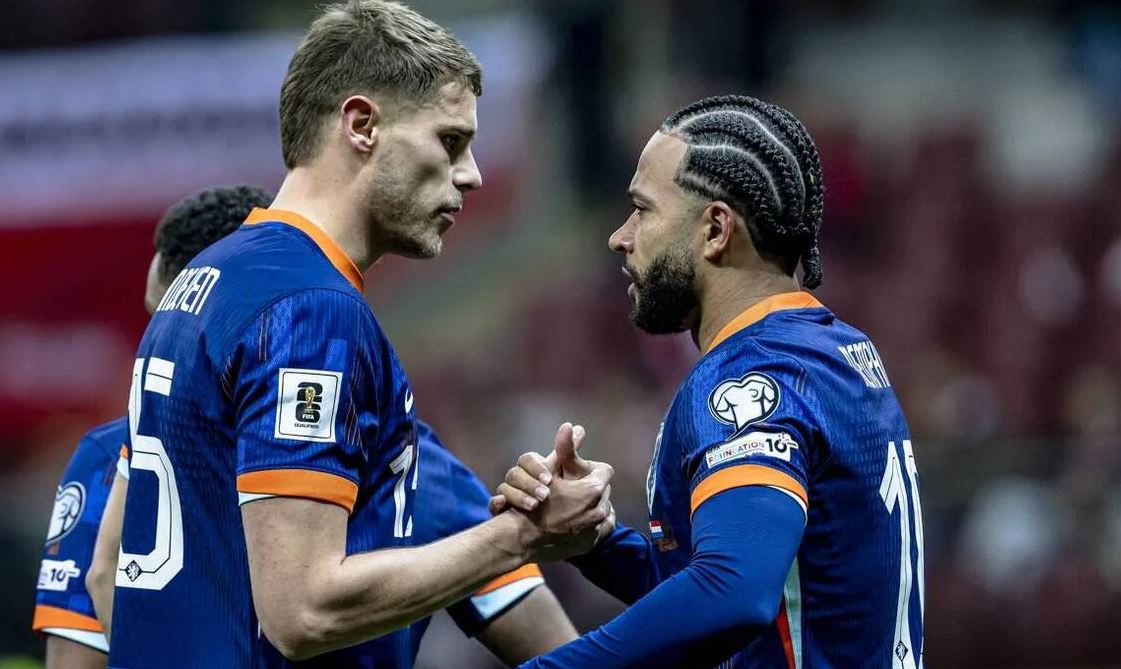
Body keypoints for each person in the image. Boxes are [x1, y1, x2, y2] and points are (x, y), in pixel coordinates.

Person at [87, 1, 612, 667]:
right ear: (362, 125)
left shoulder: (205, 281)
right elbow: (303, 610)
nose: (472, 174)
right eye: (450, 141)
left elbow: (107, 571)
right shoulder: (309, 309)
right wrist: (520, 538)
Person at [37, 186, 577, 668]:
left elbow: (98, 592)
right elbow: (548, 641)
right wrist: (523, 537)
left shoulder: (106, 459)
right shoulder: (410, 458)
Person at [493, 94, 926, 668]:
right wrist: (597, 543)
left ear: (715, 230)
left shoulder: (753, 375)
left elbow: (732, 594)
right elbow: (747, 589)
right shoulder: (834, 350)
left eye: (642, 210)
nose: (620, 237)